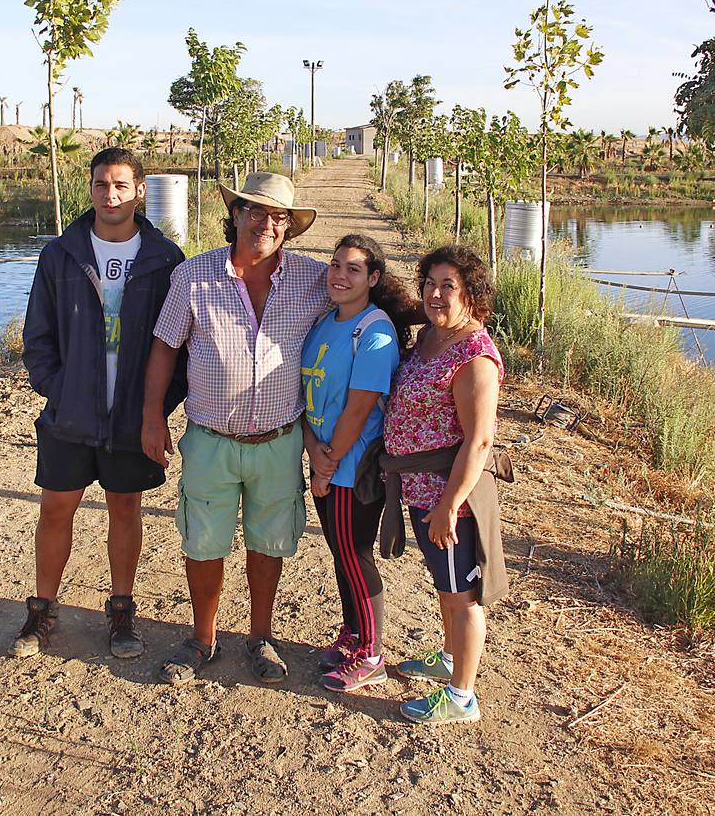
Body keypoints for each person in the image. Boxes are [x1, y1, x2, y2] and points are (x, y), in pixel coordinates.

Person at [142, 172, 328, 686]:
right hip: (210, 440)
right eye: (255, 212)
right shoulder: (195, 276)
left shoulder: (313, 280)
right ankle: (202, 639)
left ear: (289, 227)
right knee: (203, 543)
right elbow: (165, 346)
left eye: (279, 217)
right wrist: (152, 416)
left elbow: (362, 300)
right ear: (237, 214)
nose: (265, 224)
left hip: (278, 441)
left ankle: (260, 637)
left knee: (268, 543)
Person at [14, 147, 186, 660]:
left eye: (120, 185)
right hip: (71, 415)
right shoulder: (61, 254)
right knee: (56, 507)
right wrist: (59, 387)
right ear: (89, 189)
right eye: (100, 184)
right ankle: (42, 609)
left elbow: (178, 344)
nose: (109, 195)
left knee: (125, 507)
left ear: (139, 191)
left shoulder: (164, 260)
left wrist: (157, 406)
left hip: (131, 417)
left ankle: (121, 609)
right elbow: (38, 335)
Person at [383, 244, 506, 724]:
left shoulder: (476, 354)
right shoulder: (433, 337)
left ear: (471, 294)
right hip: (420, 489)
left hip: (451, 497)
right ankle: (451, 659)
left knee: (464, 597)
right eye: (430, 283)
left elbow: (479, 442)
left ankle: (462, 697)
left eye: (448, 285)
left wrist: (450, 505)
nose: (435, 294)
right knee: (445, 587)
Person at [300, 234, 414, 693]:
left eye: (352, 269)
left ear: (373, 278)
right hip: (325, 459)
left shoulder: (376, 330)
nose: (339, 275)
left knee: (354, 554)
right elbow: (307, 398)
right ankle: (352, 634)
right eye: (334, 265)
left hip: (351, 467)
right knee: (339, 553)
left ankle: (371, 653)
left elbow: (360, 406)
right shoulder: (325, 321)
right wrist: (312, 449)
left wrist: (328, 464)